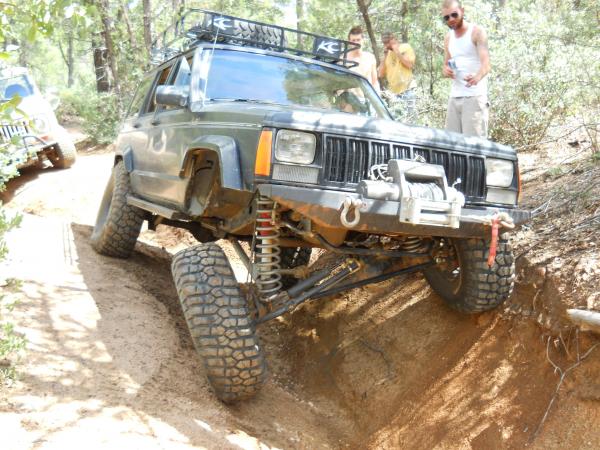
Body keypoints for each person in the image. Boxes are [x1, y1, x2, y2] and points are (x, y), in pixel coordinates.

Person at [441, 0, 490, 137]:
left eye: (454, 15)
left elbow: (486, 65)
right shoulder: (448, 37)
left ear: (462, 11)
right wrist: (446, 70)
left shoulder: (476, 32)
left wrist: (477, 77)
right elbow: (447, 63)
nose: (451, 19)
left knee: (474, 147)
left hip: (474, 97)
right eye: (446, 17)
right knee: (452, 145)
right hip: (454, 97)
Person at [377, 32, 416, 121]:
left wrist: (397, 52)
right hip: (394, 94)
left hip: (408, 90)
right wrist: (385, 56)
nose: (386, 45)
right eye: (384, 43)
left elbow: (409, 64)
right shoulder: (387, 54)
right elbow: (380, 74)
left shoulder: (405, 47)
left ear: (394, 39)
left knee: (410, 121)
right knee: (397, 121)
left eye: (388, 42)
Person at [346, 26, 380, 91]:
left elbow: (375, 82)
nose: (356, 43)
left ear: (363, 40)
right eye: (353, 40)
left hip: (365, 99)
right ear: (349, 42)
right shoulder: (344, 59)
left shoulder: (370, 58)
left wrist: (377, 97)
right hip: (347, 99)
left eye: (358, 40)